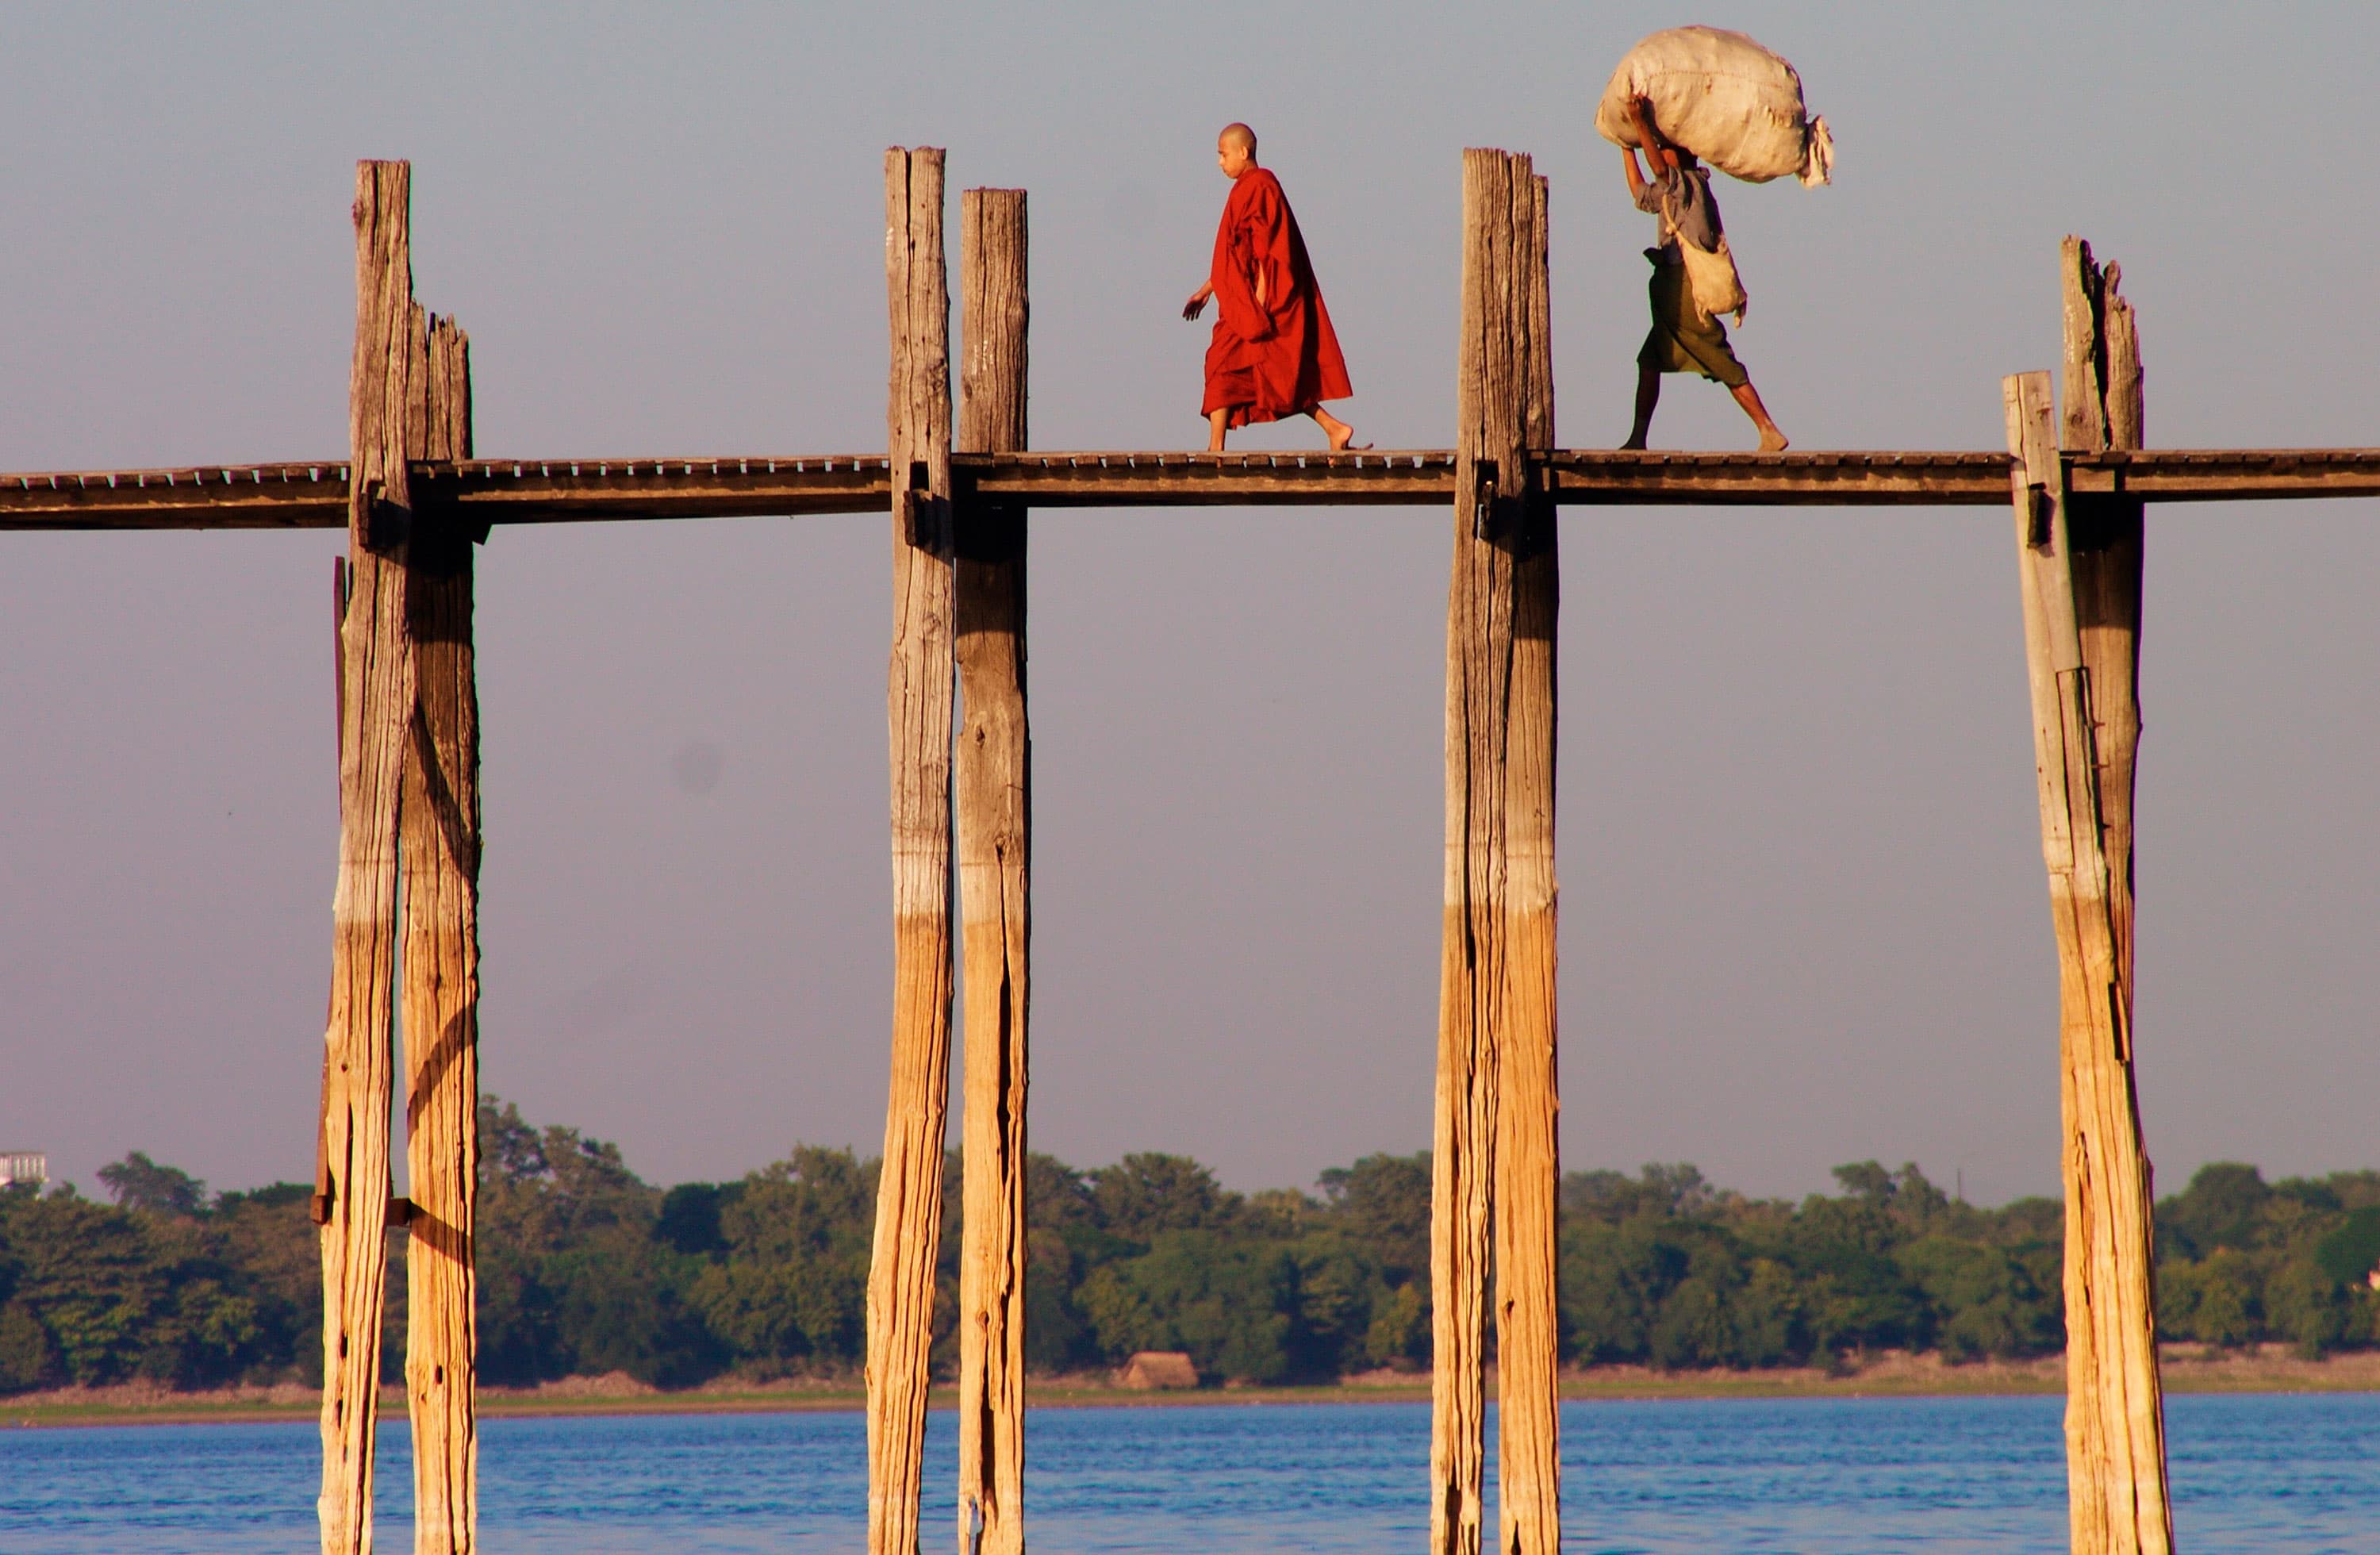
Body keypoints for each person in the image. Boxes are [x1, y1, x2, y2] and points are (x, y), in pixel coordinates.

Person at [1619, 96, 1788, 451]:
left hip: (1685, 291)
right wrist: (1626, 145)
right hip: (1669, 289)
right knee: (1649, 361)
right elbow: (1639, 193)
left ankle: (1768, 429)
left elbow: (1660, 170)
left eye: (1666, 150)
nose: (1661, 155)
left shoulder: (1688, 184)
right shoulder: (1670, 191)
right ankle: (1638, 438)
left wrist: (1638, 124)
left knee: (1717, 356)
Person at [1182, 124, 1361, 451]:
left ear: (1243, 152)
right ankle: (1333, 428)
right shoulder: (1243, 189)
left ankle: (1215, 449)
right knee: (1267, 374)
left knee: (1224, 362)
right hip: (1241, 298)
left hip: (1256, 301)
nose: (1220, 163)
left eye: (1223, 155)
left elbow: (1269, 249)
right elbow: (1237, 251)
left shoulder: (1262, 186)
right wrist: (1207, 290)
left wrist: (1260, 302)